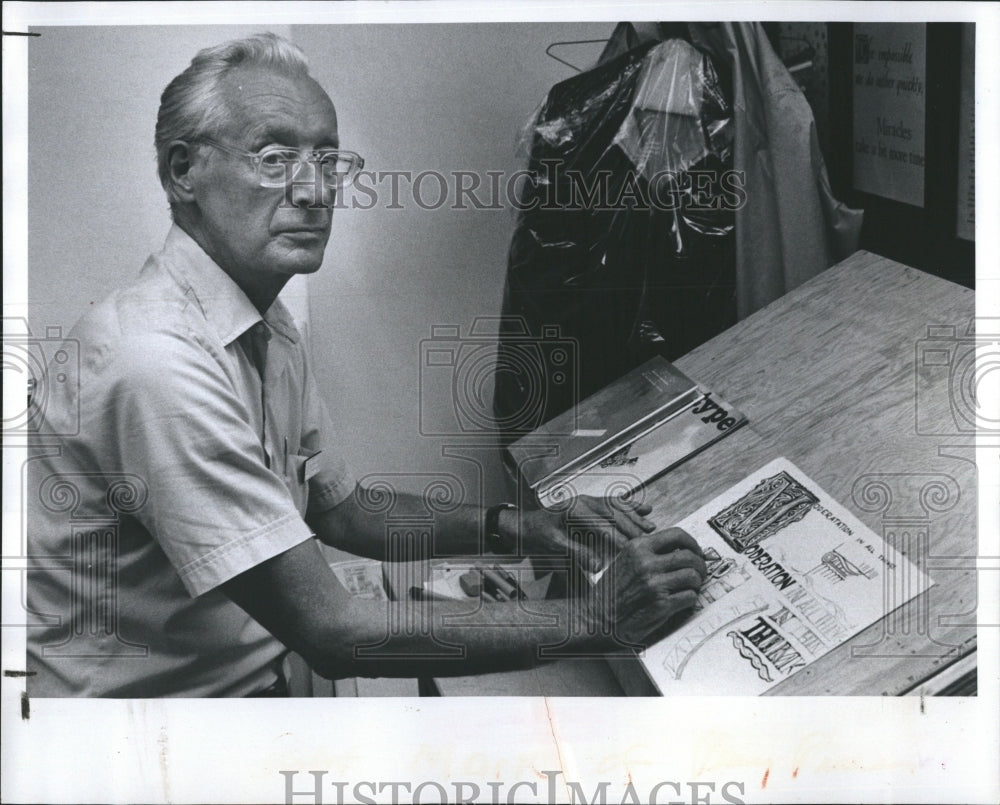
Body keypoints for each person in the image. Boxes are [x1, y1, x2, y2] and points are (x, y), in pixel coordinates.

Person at [25, 33, 706, 697]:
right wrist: (593, 618)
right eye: (272, 156)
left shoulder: (262, 323)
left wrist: (521, 526)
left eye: (328, 160)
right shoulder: (155, 360)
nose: (315, 191)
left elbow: (344, 510)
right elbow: (332, 630)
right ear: (183, 172)